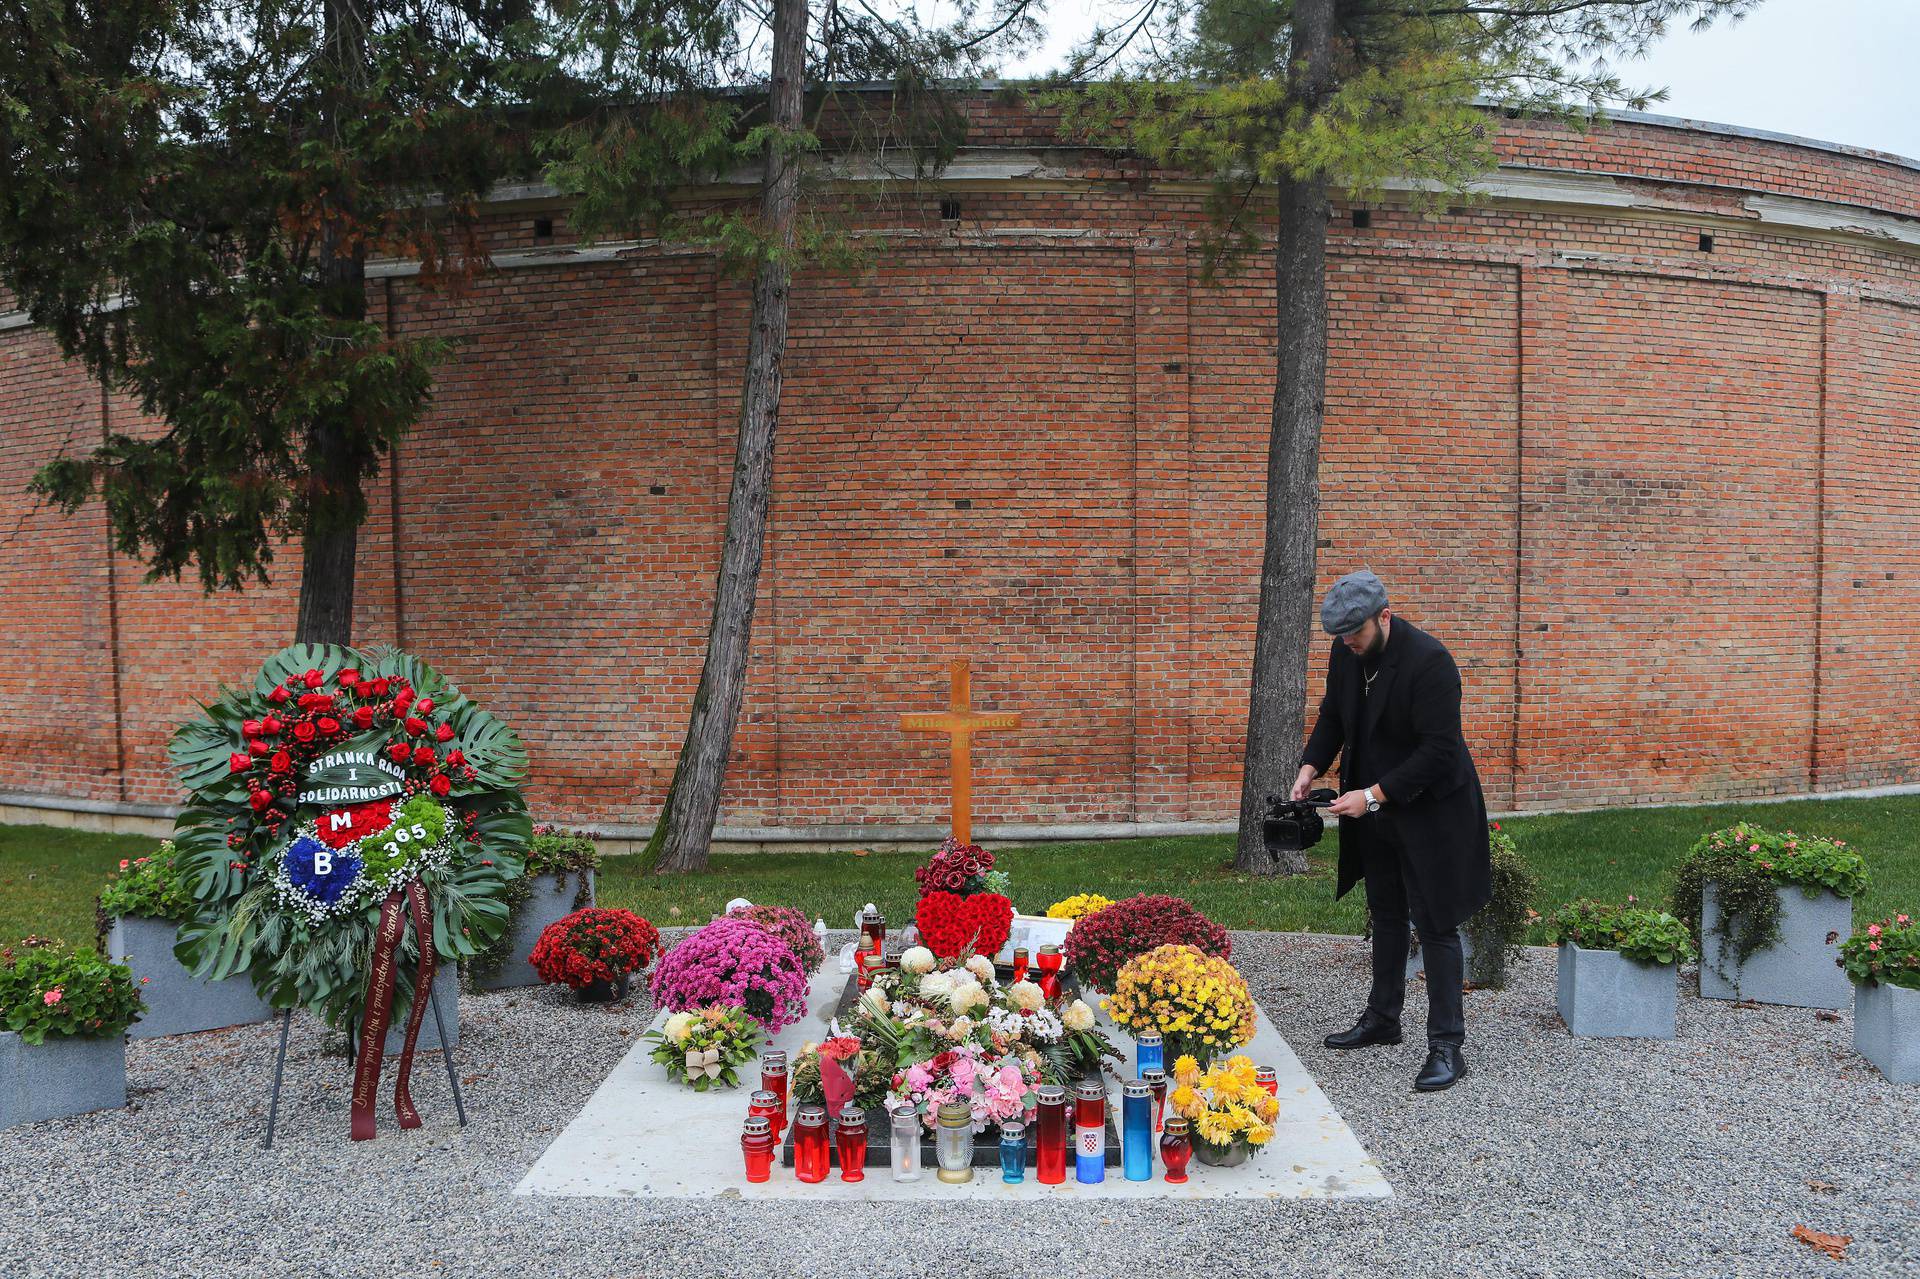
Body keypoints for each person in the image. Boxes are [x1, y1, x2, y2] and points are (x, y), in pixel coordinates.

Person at [1291, 569, 1492, 1092]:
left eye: (1355, 632)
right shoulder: (1348, 652)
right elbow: (1335, 713)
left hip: (1431, 811)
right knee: (1385, 913)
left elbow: (1438, 752)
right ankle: (1384, 1018)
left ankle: (1448, 1046)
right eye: (1340, 635)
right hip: (1372, 808)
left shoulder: (1431, 663)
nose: (1348, 643)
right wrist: (1311, 766)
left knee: (1436, 924)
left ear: (1384, 615)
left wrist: (1374, 795)